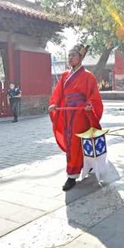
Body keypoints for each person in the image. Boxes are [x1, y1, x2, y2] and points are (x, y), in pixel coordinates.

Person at [48, 44, 103, 191]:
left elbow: (94, 97)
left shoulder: (88, 76)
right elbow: (58, 94)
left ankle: (72, 175)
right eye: (69, 55)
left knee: (78, 143)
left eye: (73, 55)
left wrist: (89, 105)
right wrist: (54, 104)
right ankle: (80, 168)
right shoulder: (65, 75)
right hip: (67, 113)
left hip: (81, 114)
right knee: (71, 142)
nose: (70, 58)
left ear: (81, 57)